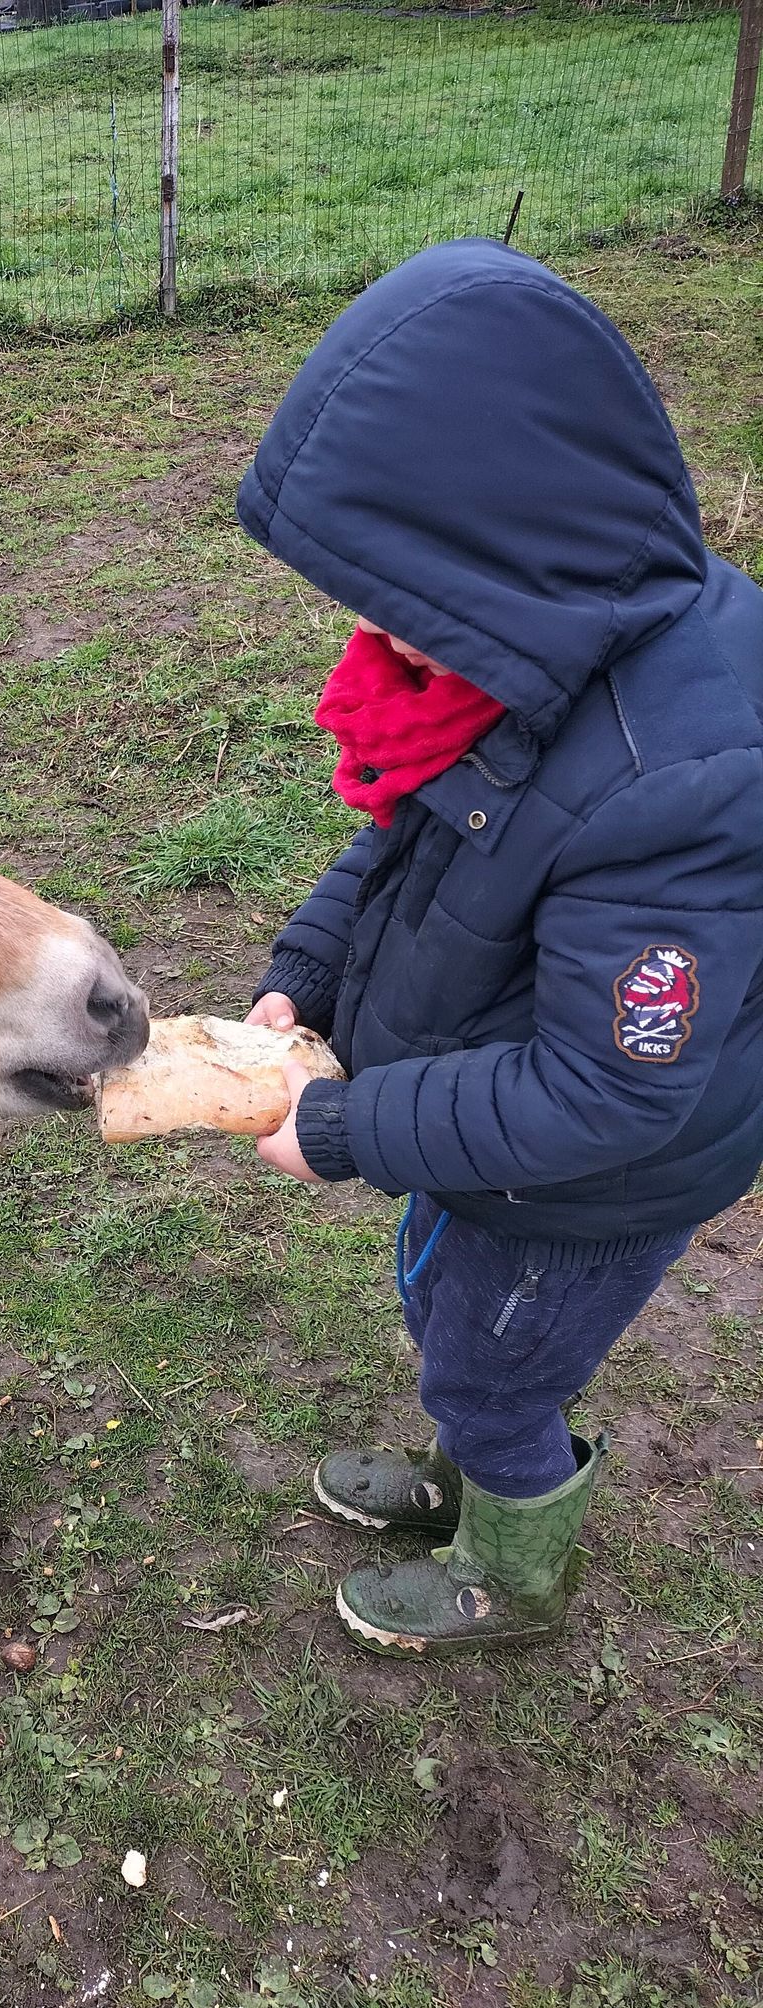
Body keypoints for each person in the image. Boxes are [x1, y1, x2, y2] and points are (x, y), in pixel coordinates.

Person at [235, 237, 763, 1657]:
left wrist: (341, 1125)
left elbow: (610, 1090)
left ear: (496, 544)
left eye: (394, 589)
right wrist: (310, 972)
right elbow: (405, 840)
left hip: (594, 1183)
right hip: (500, 1138)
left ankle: (510, 1574)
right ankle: (469, 1474)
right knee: (451, 1312)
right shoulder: (527, 658)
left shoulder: (680, 776)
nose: (367, 630)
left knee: (494, 1369)